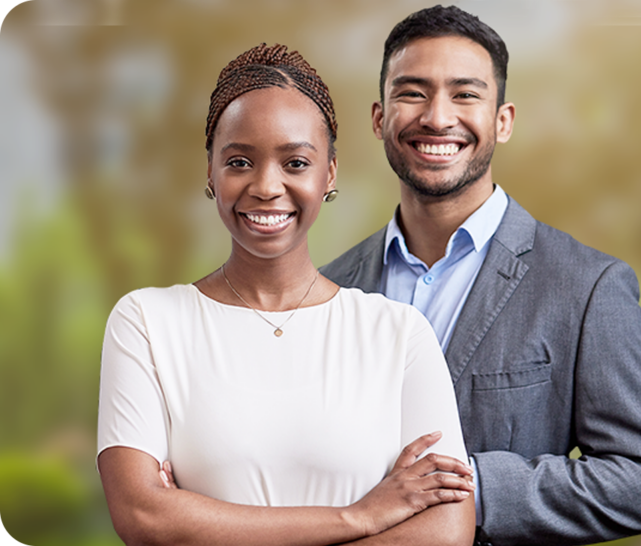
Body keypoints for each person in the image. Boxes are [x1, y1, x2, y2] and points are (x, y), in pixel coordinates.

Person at [320, 5, 641, 546]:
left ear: (503, 120)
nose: (437, 117)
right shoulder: (326, 289)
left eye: (465, 94)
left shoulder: (587, 287)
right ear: (379, 117)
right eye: (412, 93)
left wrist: (472, 486)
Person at [96, 43, 477, 546]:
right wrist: (359, 517)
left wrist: (200, 523)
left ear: (329, 173)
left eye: (295, 163)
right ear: (210, 171)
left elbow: (447, 532)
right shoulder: (147, 321)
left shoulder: (398, 334)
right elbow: (142, 516)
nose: (266, 186)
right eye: (239, 162)